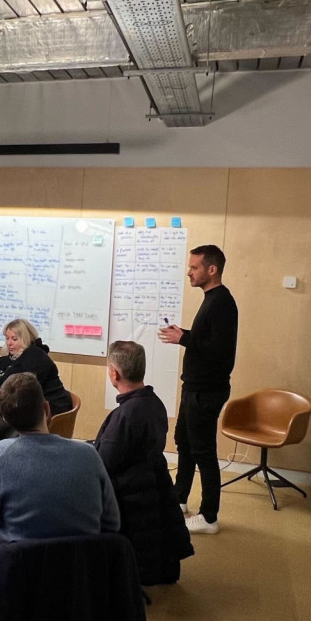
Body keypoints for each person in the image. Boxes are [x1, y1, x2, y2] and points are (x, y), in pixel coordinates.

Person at [0, 373, 118, 544]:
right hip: (80, 567)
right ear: (47, 409)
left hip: (18, 566)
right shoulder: (89, 455)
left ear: (6, 420)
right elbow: (112, 523)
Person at [92, 341, 193, 584]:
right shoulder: (154, 403)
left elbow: (104, 464)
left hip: (127, 493)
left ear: (114, 373)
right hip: (148, 485)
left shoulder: (125, 415)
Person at [158, 244, 238, 535]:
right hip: (194, 387)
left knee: (203, 450)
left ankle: (209, 516)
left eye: (194, 267)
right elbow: (207, 340)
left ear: (211, 269)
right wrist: (185, 335)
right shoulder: (211, 299)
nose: (189, 272)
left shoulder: (222, 302)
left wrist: (184, 340)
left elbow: (219, 352)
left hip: (207, 390)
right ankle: (179, 499)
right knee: (185, 442)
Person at [0, 318, 73, 450]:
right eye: (7, 338)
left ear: (26, 339)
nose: (9, 343)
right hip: (24, 411)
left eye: (14, 339)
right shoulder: (8, 359)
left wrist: (3, 392)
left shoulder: (38, 357)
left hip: (47, 412)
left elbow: (25, 386)